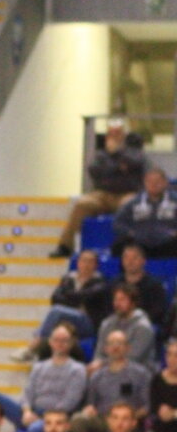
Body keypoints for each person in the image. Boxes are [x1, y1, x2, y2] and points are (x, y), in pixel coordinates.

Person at [52, 122, 146, 257]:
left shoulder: (134, 151)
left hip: (126, 193)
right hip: (104, 194)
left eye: (117, 133)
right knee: (82, 204)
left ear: (123, 135)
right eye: (111, 133)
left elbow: (135, 163)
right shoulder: (101, 155)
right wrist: (118, 167)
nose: (114, 137)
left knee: (128, 205)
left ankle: (125, 245)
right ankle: (65, 246)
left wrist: (116, 153)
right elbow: (94, 171)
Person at [0, 324, 86, 432]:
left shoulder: (78, 370)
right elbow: (28, 393)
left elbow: (69, 402)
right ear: (50, 342)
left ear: (71, 343)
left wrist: (43, 418)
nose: (60, 343)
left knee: (35, 429)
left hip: (55, 418)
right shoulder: (39, 367)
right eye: (56, 340)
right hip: (31, 412)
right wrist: (27, 411)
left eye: (64, 340)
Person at [15, 248, 110, 361]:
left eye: (90, 261)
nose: (86, 264)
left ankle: (34, 345)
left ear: (96, 265)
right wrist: (76, 300)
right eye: (84, 260)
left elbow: (86, 296)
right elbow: (55, 298)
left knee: (56, 311)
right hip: (67, 320)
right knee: (56, 313)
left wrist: (69, 297)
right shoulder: (68, 278)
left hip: (88, 322)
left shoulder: (101, 282)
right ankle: (41, 351)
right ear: (78, 262)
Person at [72, 330, 151, 432]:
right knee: (78, 420)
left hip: (127, 421)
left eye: (119, 343)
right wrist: (89, 410)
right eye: (111, 343)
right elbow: (90, 404)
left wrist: (127, 418)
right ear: (106, 349)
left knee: (123, 423)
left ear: (127, 348)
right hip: (103, 419)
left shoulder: (141, 374)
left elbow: (146, 407)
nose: (115, 347)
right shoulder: (97, 376)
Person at [111, 168, 177, 259]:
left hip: (168, 243)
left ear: (165, 183)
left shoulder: (175, 200)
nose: (153, 185)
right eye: (150, 182)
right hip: (140, 244)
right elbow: (118, 222)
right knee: (118, 247)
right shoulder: (134, 202)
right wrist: (130, 233)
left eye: (157, 181)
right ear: (144, 183)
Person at [90, 283, 154, 372]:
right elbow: (99, 353)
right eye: (116, 300)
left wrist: (102, 364)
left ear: (133, 303)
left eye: (122, 300)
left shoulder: (143, 327)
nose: (117, 304)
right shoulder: (107, 323)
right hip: (107, 370)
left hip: (136, 372)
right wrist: (96, 364)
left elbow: (132, 358)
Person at [112, 243, 168, 328]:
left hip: (143, 326)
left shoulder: (154, 285)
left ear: (143, 261)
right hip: (117, 325)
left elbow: (158, 312)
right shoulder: (114, 284)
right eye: (126, 257)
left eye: (134, 258)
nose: (130, 261)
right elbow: (108, 308)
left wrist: (134, 321)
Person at [149, 340, 177, 432]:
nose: (172, 359)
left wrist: (174, 414)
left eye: (176, 356)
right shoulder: (157, 379)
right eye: (169, 354)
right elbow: (152, 408)